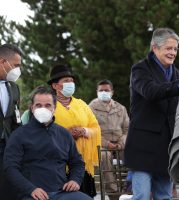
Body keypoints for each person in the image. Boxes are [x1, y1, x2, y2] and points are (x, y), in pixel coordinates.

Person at [124, 27, 179, 200]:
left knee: (165, 196)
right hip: (143, 146)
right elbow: (150, 91)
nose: (173, 53)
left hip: (166, 147)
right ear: (155, 48)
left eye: (175, 49)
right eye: (168, 48)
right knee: (142, 196)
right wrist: (178, 87)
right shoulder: (140, 69)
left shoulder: (175, 73)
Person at [3, 86, 93, 200]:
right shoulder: (18, 135)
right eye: (38, 105)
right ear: (32, 108)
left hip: (63, 193)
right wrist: (30, 189)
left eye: (48, 105)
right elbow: (10, 168)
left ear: (54, 108)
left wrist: (75, 180)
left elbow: (77, 163)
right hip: (32, 195)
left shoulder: (64, 134)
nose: (43, 109)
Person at [48, 64, 101, 197]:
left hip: (81, 165)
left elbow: (96, 128)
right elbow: (42, 131)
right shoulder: (48, 105)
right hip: (57, 165)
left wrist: (83, 131)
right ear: (54, 86)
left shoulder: (82, 105)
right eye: (66, 81)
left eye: (71, 81)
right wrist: (67, 134)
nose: (70, 84)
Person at [89, 79, 129, 200]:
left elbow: (127, 128)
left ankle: (130, 187)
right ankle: (113, 193)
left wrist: (121, 143)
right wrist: (106, 143)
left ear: (112, 92)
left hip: (120, 143)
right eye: (101, 90)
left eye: (106, 90)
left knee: (134, 153)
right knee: (105, 156)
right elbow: (91, 130)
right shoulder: (90, 108)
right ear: (97, 92)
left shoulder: (120, 108)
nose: (104, 92)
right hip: (101, 143)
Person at [0, 44, 23, 200]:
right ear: (3, 62)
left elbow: (16, 120)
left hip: (6, 149)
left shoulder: (14, 88)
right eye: (16, 65)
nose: (18, 70)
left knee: (8, 191)